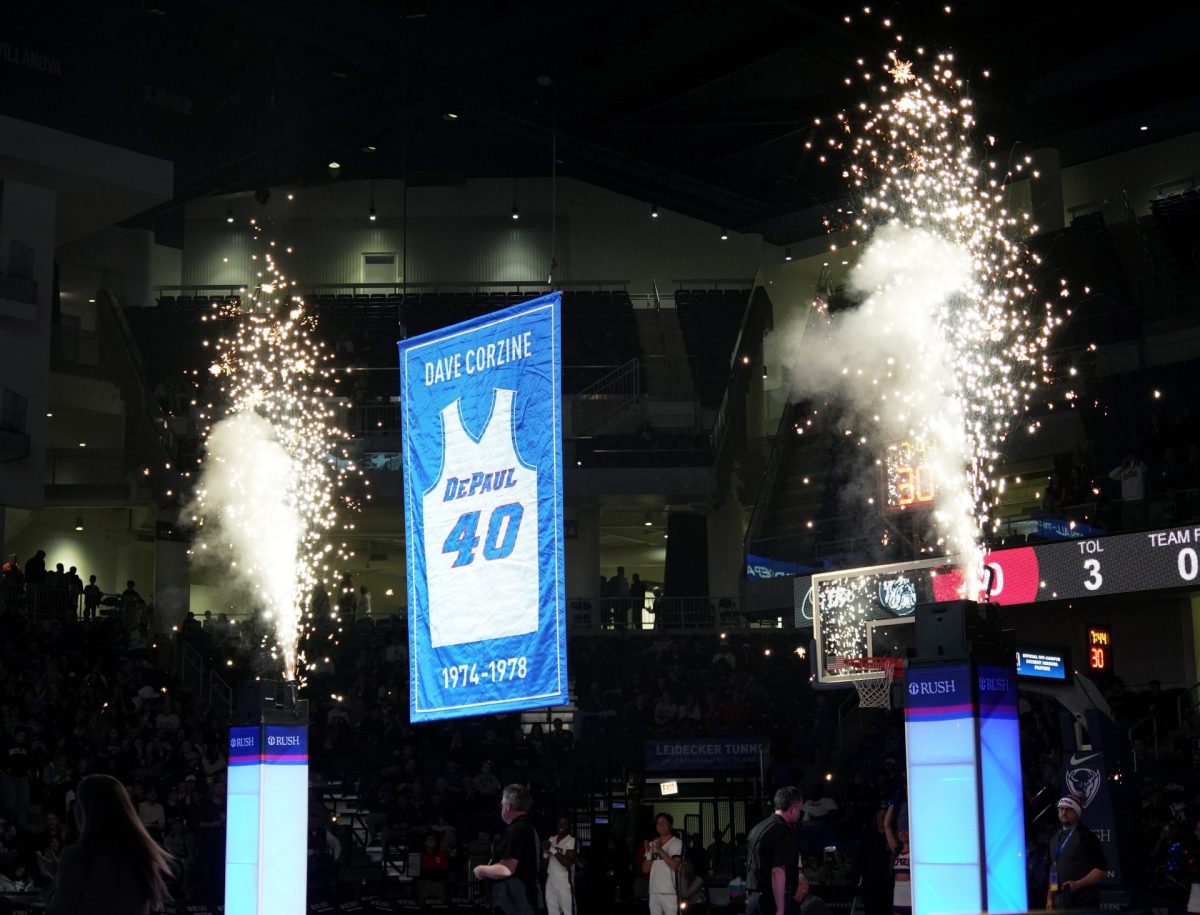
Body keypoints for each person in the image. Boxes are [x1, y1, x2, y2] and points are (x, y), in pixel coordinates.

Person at [47, 774, 173, 915]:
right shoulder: (141, 855)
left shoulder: (78, 856)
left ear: (87, 811)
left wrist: (60, 879)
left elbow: (60, 909)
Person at [474, 783, 538, 915]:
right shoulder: (528, 827)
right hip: (522, 898)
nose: (501, 807)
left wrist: (480, 869)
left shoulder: (516, 829)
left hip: (515, 901)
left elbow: (506, 869)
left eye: (502, 804)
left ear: (508, 806)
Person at [745, 786, 804, 915]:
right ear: (793, 809)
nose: (800, 814)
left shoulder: (757, 828)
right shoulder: (784, 832)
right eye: (800, 810)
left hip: (753, 899)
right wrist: (780, 909)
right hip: (770, 901)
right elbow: (777, 871)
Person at [1046, 794, 1107, 910]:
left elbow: (1101, 870)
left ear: (1077, 812)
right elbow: (1054, 869)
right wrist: (1050, 897)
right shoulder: (1054, 838)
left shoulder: (1086, 836)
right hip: (1061, 902)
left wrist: (1078, 884)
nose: (1064, 812)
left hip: (1085, 902)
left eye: (1069, 809)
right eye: (1061, 809)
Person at [643, 812, 684, 915]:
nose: (660, 825)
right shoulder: (652, 843)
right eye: (658, 823)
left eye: (664, 822)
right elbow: (645, 869)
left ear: (670, 825)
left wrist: (660, 850)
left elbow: (675, 866)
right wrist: (649, 853)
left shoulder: (677, 842)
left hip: (670, 892)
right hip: (654, 891)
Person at [543, 815, 577, 915]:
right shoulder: (551, 839)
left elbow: (568, 863)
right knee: (552, 910)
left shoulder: (571, 840)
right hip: (551, 879)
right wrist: (545, 852)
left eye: (564, 824)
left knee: (568, 911)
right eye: (559, 824)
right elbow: (544, 863)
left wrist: (553, 850)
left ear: (568, 826)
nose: (561, 826)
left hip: (564, 880)